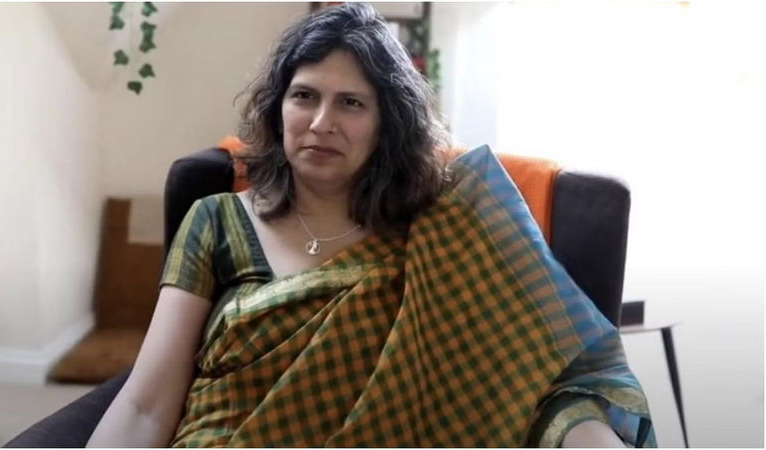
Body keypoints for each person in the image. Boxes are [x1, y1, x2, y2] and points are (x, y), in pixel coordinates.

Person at [87, 3, 655, 448]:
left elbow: (548, 379)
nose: (321, 122)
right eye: (304, 96)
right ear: (278, 109)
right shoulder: (215, 219)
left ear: (388, 123)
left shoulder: (444, 225)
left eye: (351, 103)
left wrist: (590, 434)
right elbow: (145, 405)